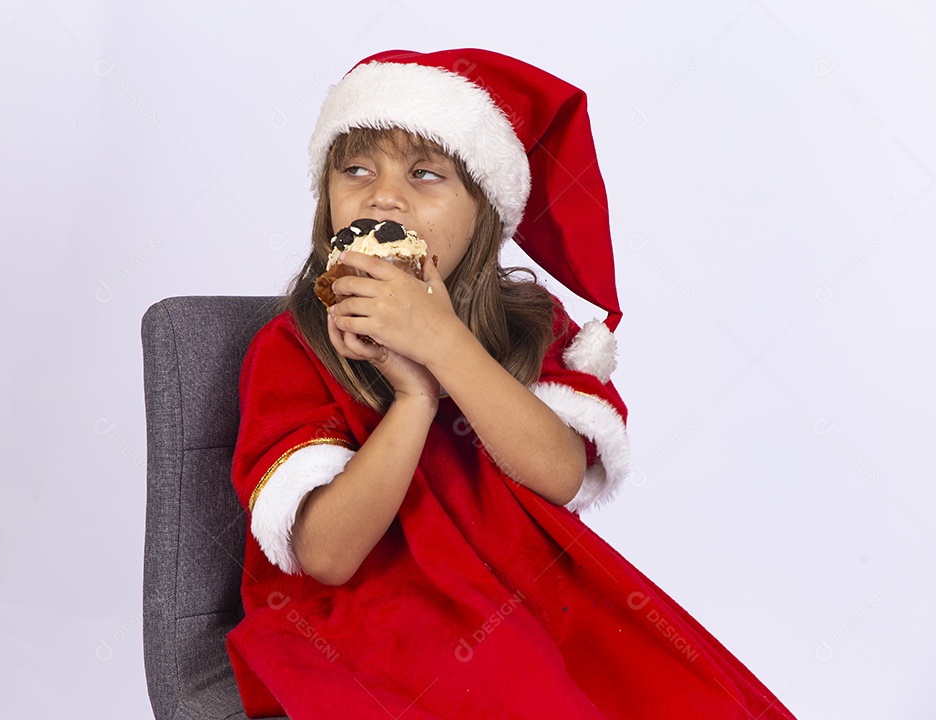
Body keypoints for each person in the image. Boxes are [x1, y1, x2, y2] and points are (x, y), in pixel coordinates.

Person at [227, 48, 795, 720]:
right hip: (371, 616)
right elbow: (328, 556)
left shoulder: (531, 324)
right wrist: (415, 397)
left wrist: (442, 343)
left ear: (483, 212)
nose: (383, 195)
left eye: (425, 174)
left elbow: (559, 476)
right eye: (355, 168)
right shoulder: (292, 348)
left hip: (528, 588)